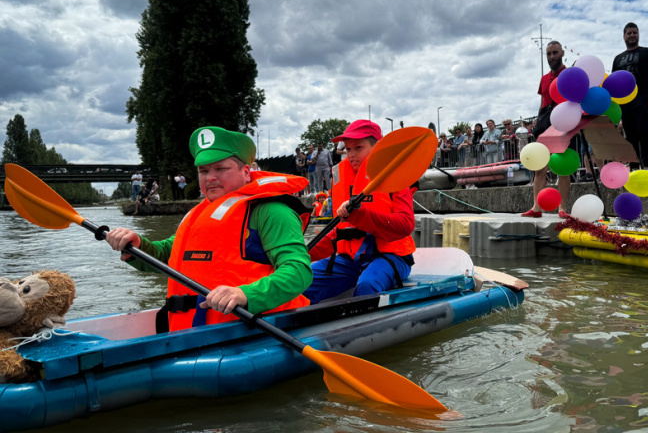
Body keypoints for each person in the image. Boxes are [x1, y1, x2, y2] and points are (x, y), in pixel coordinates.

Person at [105, 126, 312, 331]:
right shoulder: (199, 213)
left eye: (221, 168)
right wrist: (137, 245)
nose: (210, 177)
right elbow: (168, 254)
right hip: (190, 332)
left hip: (252, 333)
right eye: (203, 171)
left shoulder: (271, 211)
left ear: (246, 172)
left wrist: (245, 294)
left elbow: (298, 271)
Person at [304, 120, 415, 303]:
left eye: (358, 148)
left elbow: (406, 225)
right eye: (348, 149)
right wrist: (303, 253)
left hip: (392, 256)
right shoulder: (341, 176)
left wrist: (360, 215)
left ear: (377, 147)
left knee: (367, 286)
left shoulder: (395, 177)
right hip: (351, 259)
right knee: (301, 280)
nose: (352, 155)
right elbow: (338, 231)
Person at [522, 41, 570, 217]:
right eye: (549, 54)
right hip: (545, 125)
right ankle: (536, 207)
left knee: (563, 167)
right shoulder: (544, 79)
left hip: (565, 125)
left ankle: (563, 208)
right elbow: (543, 102)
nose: (552, 57)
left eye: (555, 53)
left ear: (562, 52)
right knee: (539, 167)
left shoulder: (569, 74)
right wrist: (537, 123)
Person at [612, 23, 648, 169]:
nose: (632, 35)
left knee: (643, 131)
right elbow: (614, 82)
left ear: (638, 34)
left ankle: (647, 166)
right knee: (630, 135)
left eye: (635, 32)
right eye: (629, 33)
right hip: (625, 102)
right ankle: (633, 167)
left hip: (643, 98)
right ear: (624, 36)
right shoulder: (617, 58)